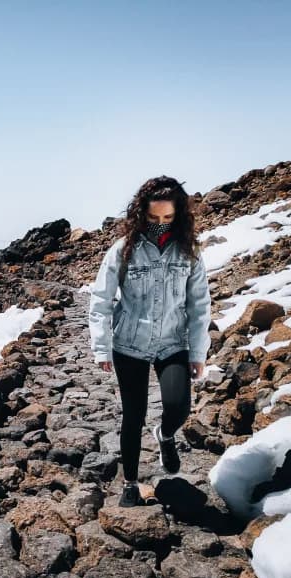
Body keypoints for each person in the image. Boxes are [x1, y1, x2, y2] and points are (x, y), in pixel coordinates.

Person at [88, 175, 212, 507]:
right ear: (142, 214)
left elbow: (200, 306)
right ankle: (130, 482)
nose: (160, 224)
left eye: (168, 218)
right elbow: (100, 300)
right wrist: (101, 347)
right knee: (134, 414)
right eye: (153, 218)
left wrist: (197, 353)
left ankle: (166, 435)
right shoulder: (122, 251)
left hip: (172, 342)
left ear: (179, 216)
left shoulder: (189, 253)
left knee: (178, 406)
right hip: (129, 344)